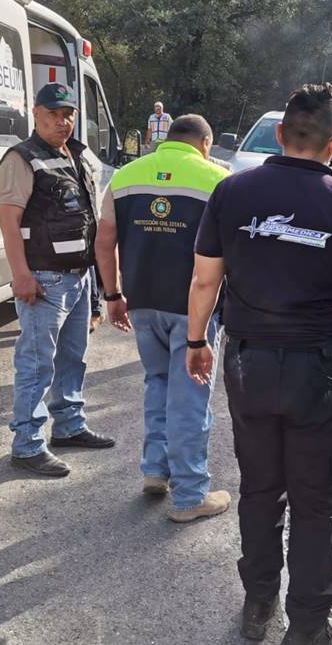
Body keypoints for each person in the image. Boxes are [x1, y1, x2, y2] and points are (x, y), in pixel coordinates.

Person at [186, 83, 332, 645]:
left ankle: (259, 605)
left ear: (281, 135)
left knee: (260, 490)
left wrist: (196, 341)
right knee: (315, 502)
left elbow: (204, 279)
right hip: (319, 373)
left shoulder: (231, 193)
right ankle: (308, 627)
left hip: (249, 366)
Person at [93, 114, 232, 522]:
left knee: (157, 382)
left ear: (165, 140)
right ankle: (190, 496)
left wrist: (113, 294)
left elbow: (104, 242)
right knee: (190, 398)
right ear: (205, 143)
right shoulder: (218, 180)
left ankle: (155, 470)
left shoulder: (125, 176)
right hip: (193, 308)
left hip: (142, 302)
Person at [0, 83, 116, 477]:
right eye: (53, 114)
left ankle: (68, 426)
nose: (62, 121)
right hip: (44, 279)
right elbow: (9, 223)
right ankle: (27, 444)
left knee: (72, 358)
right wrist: (21, 276)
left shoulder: (78, 154)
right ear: (35, 113)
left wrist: (98, 283)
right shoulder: (21, 159)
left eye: (68, 114)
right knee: (36, 364)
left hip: (78, 277)